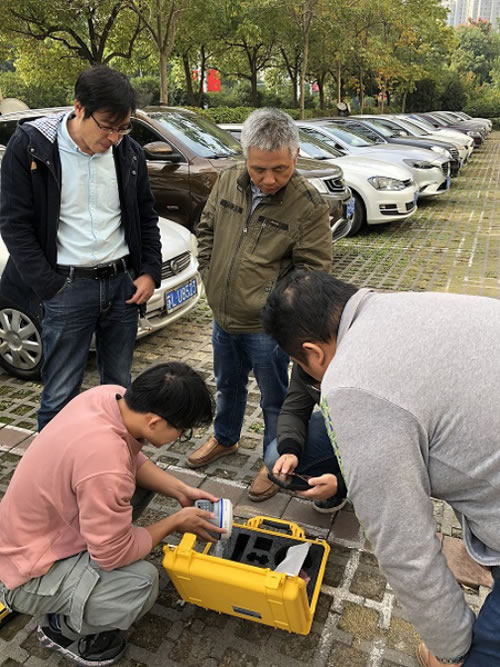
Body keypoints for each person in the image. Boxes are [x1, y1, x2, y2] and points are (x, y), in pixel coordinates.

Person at [262, 269, 500, 667]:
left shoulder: (353, 382)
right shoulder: (408, 303)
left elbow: (406, 548)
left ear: (313, 353)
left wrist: (453, 649)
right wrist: (348, 479)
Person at [0, 362, 224, 666]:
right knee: (141, 584)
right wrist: (174, 523)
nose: (181, 436)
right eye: (182, 431)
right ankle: (61, 630)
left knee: (137, 485)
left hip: (29, 532)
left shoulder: (109, 397)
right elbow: (113, 555)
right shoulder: (106, 463)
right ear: (155, 422)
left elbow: (131, 460)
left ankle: (90, 555)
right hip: (24, 573)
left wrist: (180, 490)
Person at [0, 66, 161, 431]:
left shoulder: (129, 153)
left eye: (124, 128)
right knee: (60, 394)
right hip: (67, 288)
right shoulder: (32, 146)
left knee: (119, 392)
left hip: (122, 287)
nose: (114, 137)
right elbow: (14, 224)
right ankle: (53, 464)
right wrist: (50, 286)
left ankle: (113, 460)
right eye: (107, 126)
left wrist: (149, 271)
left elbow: (145, 217)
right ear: (78, 108)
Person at [188, 108, 332, 501]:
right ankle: (225, 437)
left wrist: (275, 311)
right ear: (245, 156)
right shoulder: (227, 180)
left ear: (296, 155)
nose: (269, 179)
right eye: (259, 169)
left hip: (267, 329)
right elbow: (206, 229)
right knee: (227, 384)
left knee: (275, 399)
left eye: (280, 169)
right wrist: (209, 273)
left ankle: (274, 460)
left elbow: (311, 275)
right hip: (223, 316)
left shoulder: (308, 205)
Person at [264, 361, 348, 514]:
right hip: (339, 421)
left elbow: (389, 449)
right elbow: (294, 410)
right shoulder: (306, 358)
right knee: (274, 457)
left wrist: (341, 484)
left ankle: (352, 487)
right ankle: (332, 478)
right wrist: (290, 450)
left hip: (383, 436)